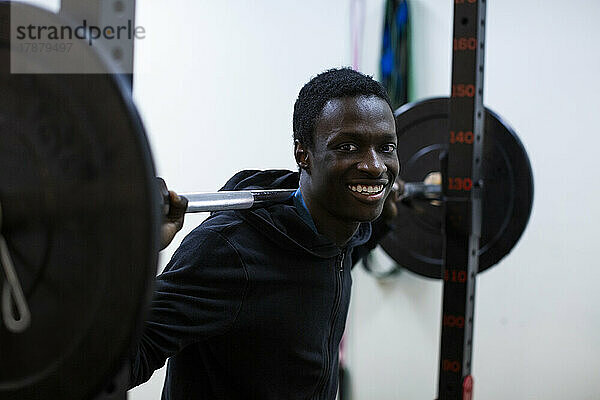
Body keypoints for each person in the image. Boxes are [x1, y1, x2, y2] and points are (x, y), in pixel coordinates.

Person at [129, 68, 400, 400]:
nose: (374, 165)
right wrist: (128, 255)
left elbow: (340, 253)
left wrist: (386, 214)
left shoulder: (340, 228)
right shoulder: (228, 254)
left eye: (386, 147)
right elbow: (122, 359)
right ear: (303, 155)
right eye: (347, 147)